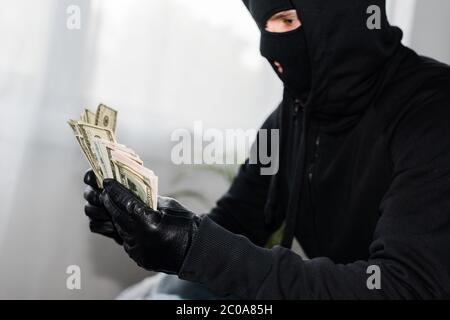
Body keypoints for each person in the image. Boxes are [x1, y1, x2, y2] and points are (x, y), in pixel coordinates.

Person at [83, 0, 450, 299]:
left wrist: (200, 247)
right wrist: (149, 227)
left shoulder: (433, 111)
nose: (269, 45)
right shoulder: (295, 112)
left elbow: (404, 287)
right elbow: (239, 220)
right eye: (265, 24)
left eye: (287, 19)